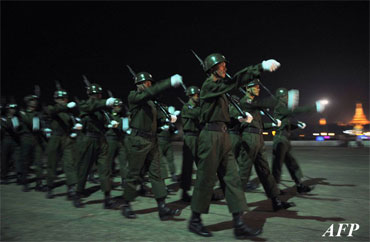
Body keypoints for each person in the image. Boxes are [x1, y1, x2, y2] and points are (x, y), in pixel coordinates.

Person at [189, 53, 279, 239]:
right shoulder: (209, 85)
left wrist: (236, 118)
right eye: (221, 66)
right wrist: (259, 66)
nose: (225, 68)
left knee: (232, 179)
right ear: (212, 69)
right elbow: (235, 81)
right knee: (206, 179)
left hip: (223, 135)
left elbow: (219, 112)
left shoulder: (219, 89)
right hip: (210, 136)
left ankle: (239, 224)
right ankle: (195, 220)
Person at [121, 71, 183, 221]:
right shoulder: (134, 97)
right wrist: (168, 82)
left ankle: (162, 208)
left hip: (152, 141)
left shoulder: (151, 103)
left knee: (157, 174)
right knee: (134, 174)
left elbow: (156, 121)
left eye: (150, 83)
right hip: (138, 141)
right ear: (138, 84)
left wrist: (167, 120)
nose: (149, 85)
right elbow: (148, 94)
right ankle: (127, 204)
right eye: (146, 83)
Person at [238, 79, 297, 213]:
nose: (258, 89)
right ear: (248, 89)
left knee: (265, 172)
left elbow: (260, 125)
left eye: (259, 87)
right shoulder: (245, 102)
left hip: (258, 138)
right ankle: (237, 207)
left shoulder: (254, 104)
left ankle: (276, 202)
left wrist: (273, 125)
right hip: (249, 138)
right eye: (255, 87)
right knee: (243, 174)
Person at [272, 87, 326, 193]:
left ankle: (299, 185)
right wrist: (314, 107)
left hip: (285, 139)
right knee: (277, 165)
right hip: (280, 140)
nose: (288, 98)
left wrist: (297, 125)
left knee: (292, 163)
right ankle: (274, 189)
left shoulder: (283, 109)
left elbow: (286, 126)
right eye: (286, 96)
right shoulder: (279, 108)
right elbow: (297, 110)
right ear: (281, 97)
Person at [75, 83, 117, 209]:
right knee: (84, 168)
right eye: (94, 94)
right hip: (88, 139)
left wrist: (111, 121)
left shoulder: (101, 109)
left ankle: (107, 198)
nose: (97, 96)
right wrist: (105, 102)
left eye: (98, 94)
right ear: (90, 95)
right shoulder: (85, 104)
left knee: (105, 169)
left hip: (101, 140)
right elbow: (91, 106)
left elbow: (106, 118)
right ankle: (78, 194)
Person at [44, 88, 81, 207]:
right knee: (52, 163)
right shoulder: (51, 108)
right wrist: (67, 107)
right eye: (60, 98)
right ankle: (50, 186)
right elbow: (53, 111)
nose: (62, 101)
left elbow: (75, 120)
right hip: (55, 138)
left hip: (67, 138)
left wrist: (76, 127)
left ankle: (71, 188)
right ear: (55, 99)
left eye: (64, 98)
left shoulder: (69, 111)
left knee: (69, 163)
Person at [18, 94, 47, 192]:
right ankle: (25, 182)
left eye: (35, 101)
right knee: (25, 161)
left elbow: (41, 126)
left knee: (39, 162)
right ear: (28, 102)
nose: (35, 102)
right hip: (26, 139)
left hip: (37, 139)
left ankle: (39, 183)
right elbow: (29, 123)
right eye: (32, 100)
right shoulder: (23, 113)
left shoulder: (37, 114)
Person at [179, 86, 201, 202]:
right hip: (189, 138)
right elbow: (198, 114)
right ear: (190, 96)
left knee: (202, 166)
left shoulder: (197, 107)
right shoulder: (186, 107)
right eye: (196, 95)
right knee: (187, 167)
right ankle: (184, 192)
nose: (198, 97)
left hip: (198, 137)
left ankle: (205, 191)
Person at [1, 100, 21, 184]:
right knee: (4, 159)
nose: (13, 110)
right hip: (5, 140)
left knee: (17, 159)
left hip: (14, 141)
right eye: (11, 108)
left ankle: (19, 176)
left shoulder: (15, 118)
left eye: (14, 108)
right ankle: (4, 176)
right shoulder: (3, 118)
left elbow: (16, 129)